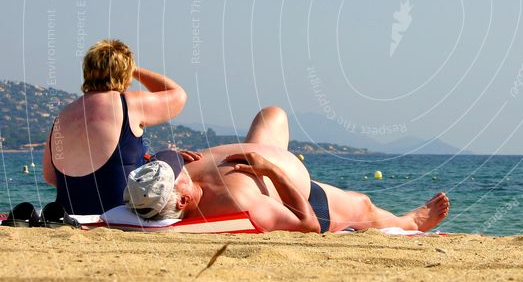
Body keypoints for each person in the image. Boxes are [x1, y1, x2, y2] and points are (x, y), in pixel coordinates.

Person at [124, 107, 450, 233]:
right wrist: (271, 171)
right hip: (302, 196)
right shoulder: (236, 204)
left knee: (272, 115)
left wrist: (171, 156)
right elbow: (306, 224)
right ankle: (411, 222)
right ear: (181, 202)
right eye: (173, 173)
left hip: (266, 162)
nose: (174, 166)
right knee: (362, 204)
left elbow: (158, 161)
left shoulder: (173, 176)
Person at [42, 39, 187, 215]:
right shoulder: (128, 103)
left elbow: (50, 177)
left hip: (68, 211)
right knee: (171, 156)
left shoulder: (62, 115)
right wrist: (132, 69)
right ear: (125, 72)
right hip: (120, 211)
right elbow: (178, 95)